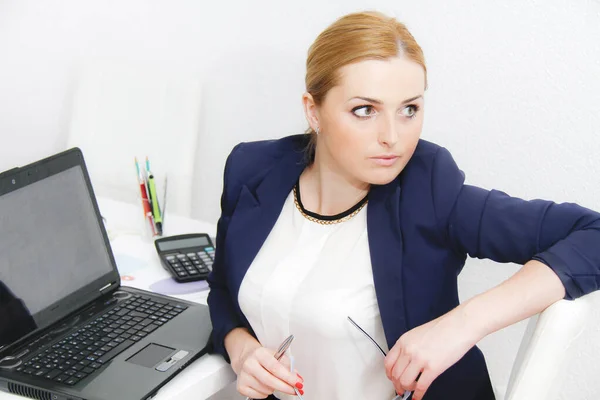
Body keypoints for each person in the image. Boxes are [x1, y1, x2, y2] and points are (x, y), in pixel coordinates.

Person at [206, 11, 600, 400]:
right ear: (314, 111)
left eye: (409, 109)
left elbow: (593, 234)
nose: (392, 137)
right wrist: (242, 350)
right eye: (365, 110)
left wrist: (461, 325)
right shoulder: (252, 170)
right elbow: (222, 289)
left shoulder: (429, 188)